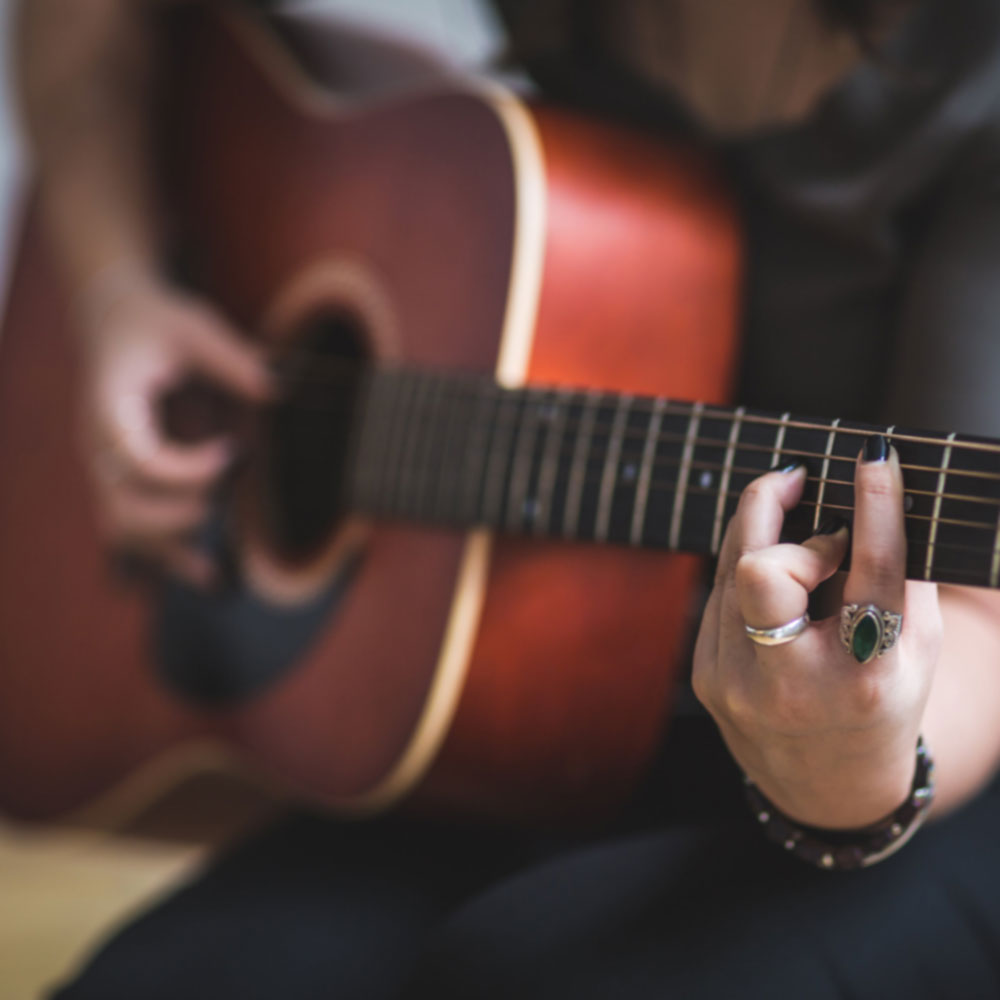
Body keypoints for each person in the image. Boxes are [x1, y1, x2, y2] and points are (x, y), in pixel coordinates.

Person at [14, 0, 1000, 996]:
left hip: (904, 766)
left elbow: (978, 627)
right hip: (522, 708)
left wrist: (850, 768)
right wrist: (115, 285)